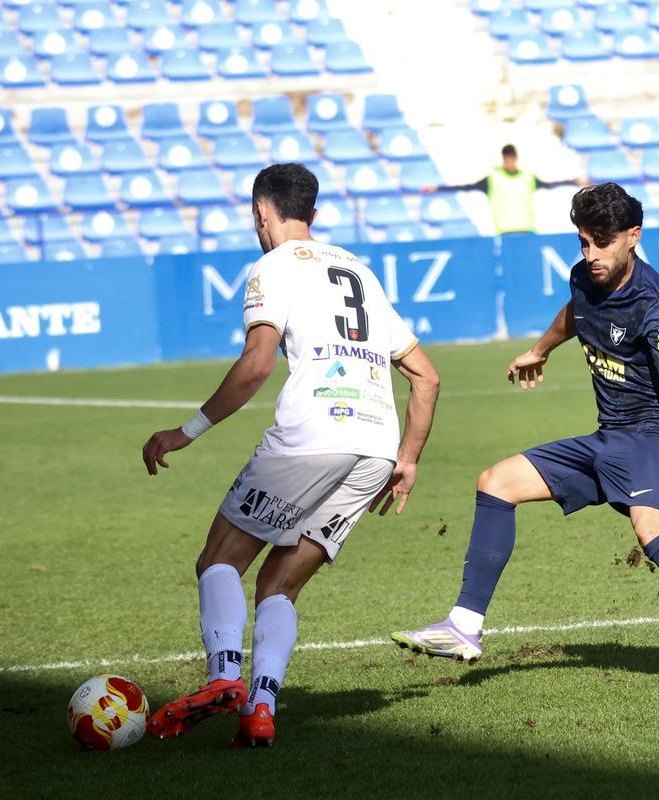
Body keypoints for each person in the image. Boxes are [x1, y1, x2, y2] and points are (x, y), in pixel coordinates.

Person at [391, 183, 659, 683]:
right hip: (608, 436)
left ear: (633, 236)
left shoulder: (655, 305)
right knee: (495, 482)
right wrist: (541, 349)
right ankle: (464, 626)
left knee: (652, 532)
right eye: (583, 242)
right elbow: (575, 313)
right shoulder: (584, 276)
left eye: (602, 242)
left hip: (653, 440)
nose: (590, 255)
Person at [140, 163, 440, 747]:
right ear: (314, 214)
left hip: (310, 438)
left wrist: (188, 431)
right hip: (374, 452)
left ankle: (226, 676)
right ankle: (260, 709)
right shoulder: (360, 269)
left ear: (261, 213)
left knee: (219, 561)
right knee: (279, 585)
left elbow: (256, 365)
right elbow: (425, 378)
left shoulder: (271, 267)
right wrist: (407, 459)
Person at [424, 144, 584, 234]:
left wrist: (574, 181)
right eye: (507, 159)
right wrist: (438, 188)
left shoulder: (527, 177)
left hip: (527, 230)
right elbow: (465, 187)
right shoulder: (493, 178)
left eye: (512, 159)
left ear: (515, 158)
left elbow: (551, 184)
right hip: (504, 233)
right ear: (504, 159)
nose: (510, 162)